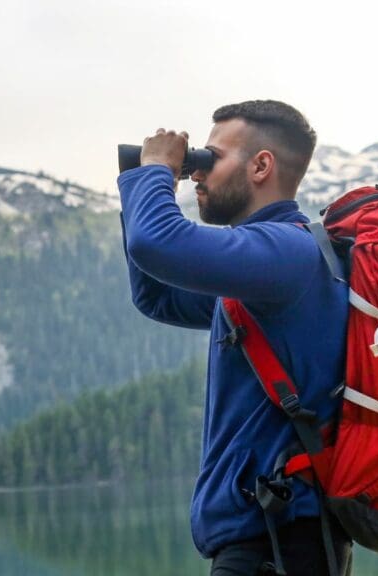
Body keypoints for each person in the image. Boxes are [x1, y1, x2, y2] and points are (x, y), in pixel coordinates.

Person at [118, 100, 352, 575]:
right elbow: (158, 296)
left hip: (278, 542)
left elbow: (155, 243)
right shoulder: (264, 271)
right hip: (272, 539)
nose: (196, 174)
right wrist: (135, 181)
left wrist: (158, 171)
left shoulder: (287, 254)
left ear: (261, 166)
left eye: (209, 158)